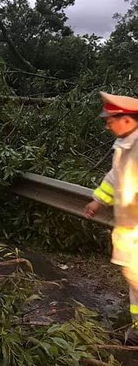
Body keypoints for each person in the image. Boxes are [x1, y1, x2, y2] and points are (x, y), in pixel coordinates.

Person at [84, 92, 138, 343]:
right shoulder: (123, 145)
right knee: (133, 276)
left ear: (127, 119)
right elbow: (115, 177)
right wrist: (98, 200)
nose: (107, 124)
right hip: (129, 226)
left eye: (111, 119)